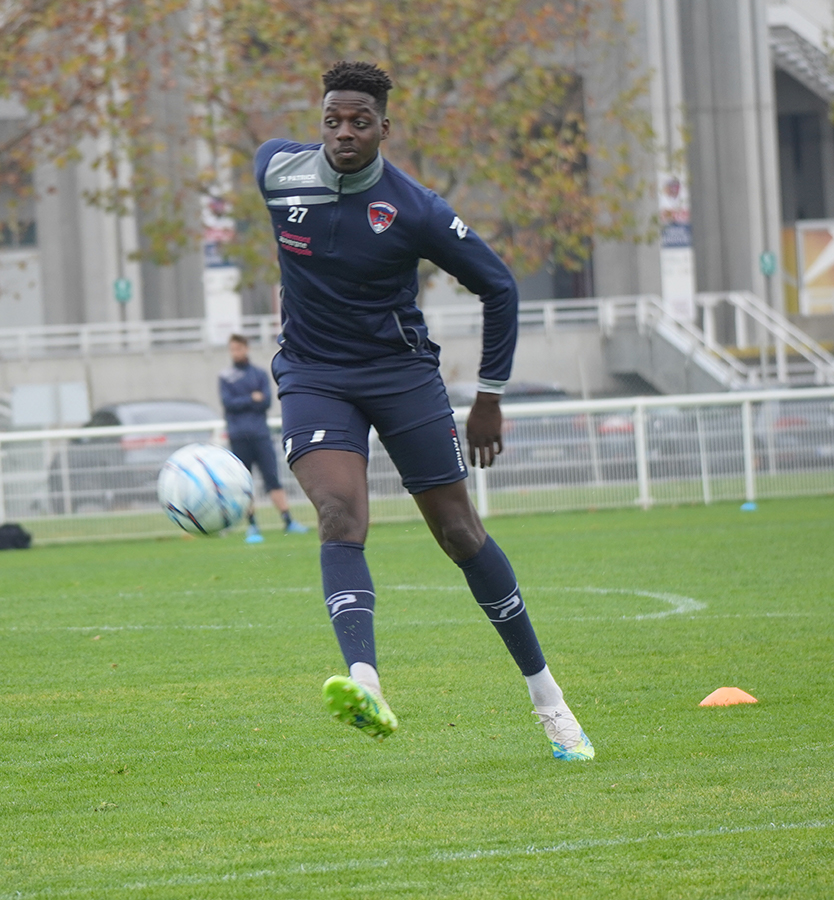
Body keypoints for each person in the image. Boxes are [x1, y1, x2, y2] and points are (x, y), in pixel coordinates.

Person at [255, 61, 593, 759]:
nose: (344, 133)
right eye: (332, 120)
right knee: (339, 514)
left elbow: (500, 288)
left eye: (359, 122)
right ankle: (366, 683)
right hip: (314, 376)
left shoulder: (416, 210)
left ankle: (550, 702)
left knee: (460, 534)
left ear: (384, 127)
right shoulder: (276, 171)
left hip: (400, 376)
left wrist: (489, 398)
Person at [218, 333, 309, 542]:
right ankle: (252, 526)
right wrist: (251, 398)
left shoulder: (258, 373)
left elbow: (266, 401)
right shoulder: (225, 376)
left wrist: (247, 401)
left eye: (238, 348)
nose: (235, 353)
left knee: (272, 478)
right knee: (245, 483)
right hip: (238, 436)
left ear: (246, 348)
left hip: (260, 434)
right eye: (232, 349)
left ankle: (288, 520)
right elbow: (229, 403)